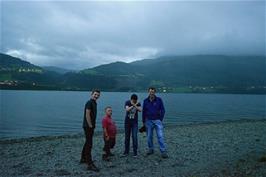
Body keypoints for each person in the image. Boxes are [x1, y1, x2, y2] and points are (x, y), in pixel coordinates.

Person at [142, 87, 168, 158]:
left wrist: (160, 119)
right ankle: (151, 149)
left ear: (155, 92)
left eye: (153, 92)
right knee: (149, 137)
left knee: (160, 136)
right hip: (148, 121)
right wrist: (143, 121)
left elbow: (163, 110)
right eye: (150, 92)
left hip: (157, 121)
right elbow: (144, 111)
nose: (151, 93)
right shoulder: (145, 101)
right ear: (148, 92)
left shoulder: (159, 100)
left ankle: (163, 151)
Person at [80, 89, 100, 172]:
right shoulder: (89, 102)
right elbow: (87, 114)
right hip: (88, 126)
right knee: (89, 144)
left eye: (98, 95)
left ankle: (83, 158)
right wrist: (90, 125)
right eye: (95, 94)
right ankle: (89, 163)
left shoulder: (94, 103)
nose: (96, 96)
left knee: (87, 142)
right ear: (91, 94)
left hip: (90, 126)